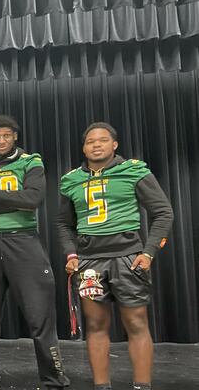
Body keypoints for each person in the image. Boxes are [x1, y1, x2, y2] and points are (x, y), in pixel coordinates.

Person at [57, 122, 173, 390]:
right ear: (84, 147)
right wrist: (71, 253)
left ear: (115, 144)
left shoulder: (133, 171)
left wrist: (149, 252)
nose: (96, 145)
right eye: (90, 141)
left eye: (103, 140)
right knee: (96, 324)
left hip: (128, 257)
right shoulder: (71, 179)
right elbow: (63, 223)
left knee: (136, 322)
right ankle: (102, 386)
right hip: (90, 261)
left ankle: (142, 385)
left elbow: (163, 212)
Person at [0, 115, 69, 390]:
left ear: (15, 137)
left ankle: (53, 380)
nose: (1, 141)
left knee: (39, 315)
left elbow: (33, 198)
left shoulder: (31, 161)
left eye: (6, 136)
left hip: (23, 242)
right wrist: (14, 201)